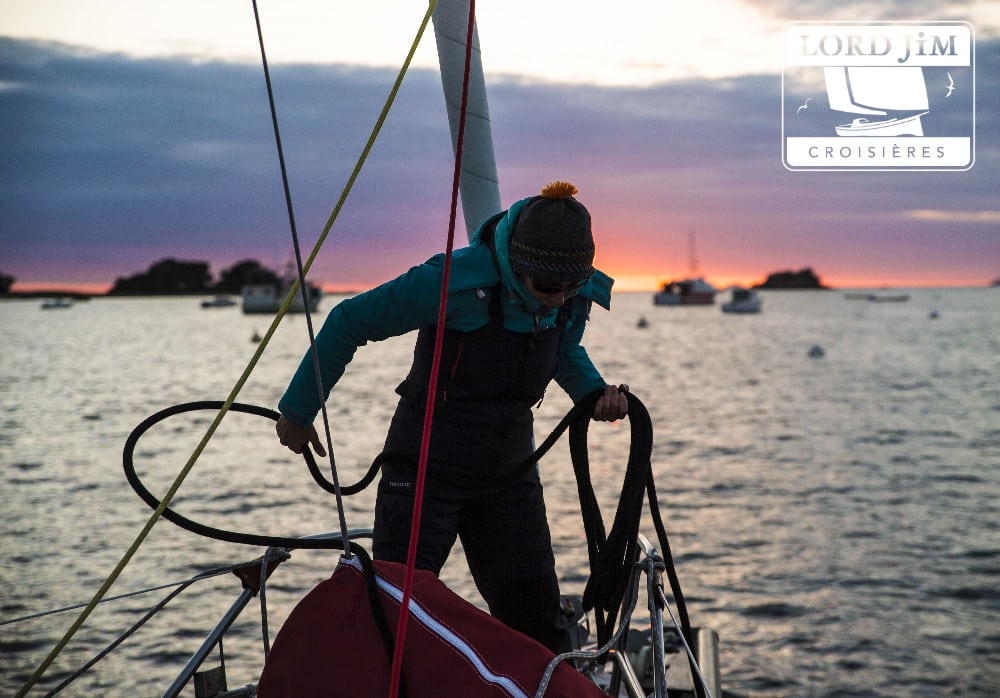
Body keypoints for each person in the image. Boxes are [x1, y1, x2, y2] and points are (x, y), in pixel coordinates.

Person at [275, 180, 628, 652]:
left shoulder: (567, 293)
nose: (561, 299)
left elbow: (564, 350)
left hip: (508, 474)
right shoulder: (452, 282)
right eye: (547, 287)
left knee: (537, 623)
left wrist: (595, 394)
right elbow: (348, 321)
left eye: (573, 287)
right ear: (516, 267)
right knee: (396, 617)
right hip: (426, 468)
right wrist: (298, 411)